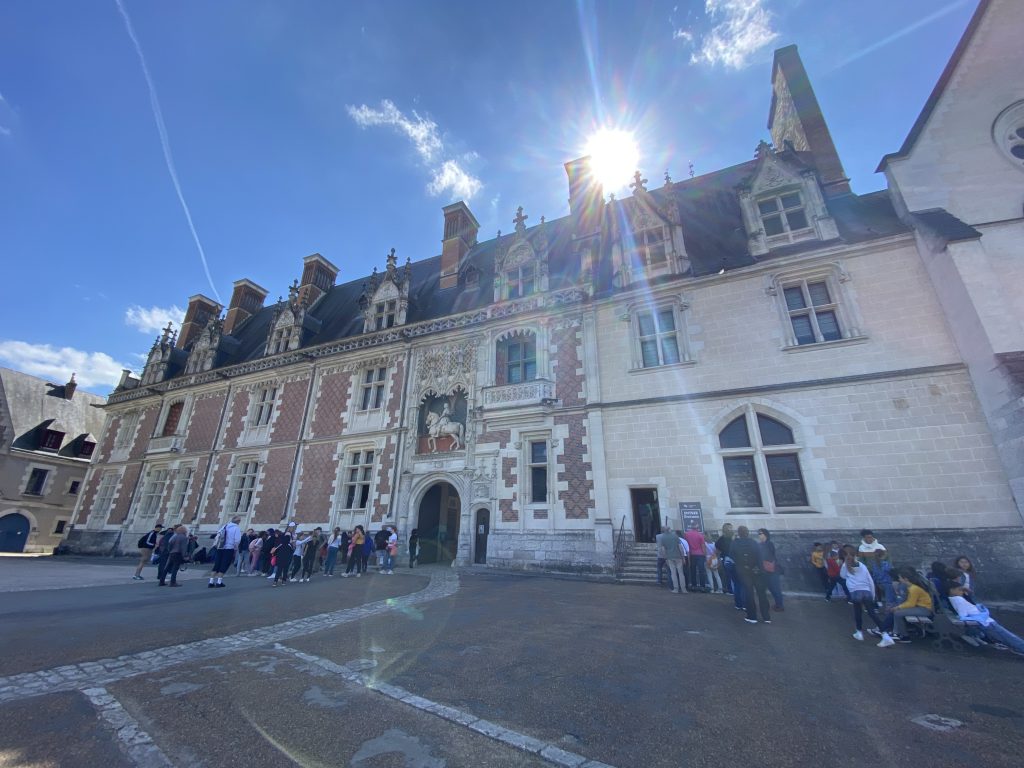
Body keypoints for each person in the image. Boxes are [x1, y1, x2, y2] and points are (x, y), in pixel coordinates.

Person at [947, 585, 1024, 655]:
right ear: (952, 590)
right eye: (960, 590)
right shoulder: (959, 599)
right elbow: (963, 615)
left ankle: (1019, 647)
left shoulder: (956, 599)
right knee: (1007, 636)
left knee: (1006, 636)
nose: (962, 592)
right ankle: (1020, 648)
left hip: (984, 620)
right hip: (985, 622)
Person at [877, 567, 934, 647]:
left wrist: (898, 607)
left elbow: (910, 603)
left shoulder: (913, 589)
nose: (899, 579)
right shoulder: (912, 587)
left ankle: (901, 634)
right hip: (921, 607)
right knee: (897, 613)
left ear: (906, 579)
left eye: (900, 578)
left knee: (897, 613)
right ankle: (899, 633)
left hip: (924, 609)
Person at [840, 551, 888, 643]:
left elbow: (842, 576)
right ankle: (885, 634)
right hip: (866, 591)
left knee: (858, 612)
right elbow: (870, 580)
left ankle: (859, 632)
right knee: (872, 613)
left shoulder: (845, 565)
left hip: (855, 591)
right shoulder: (862, 566)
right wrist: (873, 595)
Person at [730, 526, 771, 624]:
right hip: (757, 570)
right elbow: (759, 555)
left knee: (749, 593)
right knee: (761, 594)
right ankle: (766, 617)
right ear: (747, 533)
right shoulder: (753, 542)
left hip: (744, 571)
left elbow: (731, 555)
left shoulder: (735, 543)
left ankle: (752, 616)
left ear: (739, 533)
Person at [209, 515, 242, 589]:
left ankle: (211, 581)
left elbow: (217, 536)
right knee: (224, 564)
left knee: (217, 564)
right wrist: (235, 548)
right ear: (238, 522)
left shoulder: (225, 526)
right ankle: (219, 582)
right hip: (229, 548)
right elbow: (237, 540)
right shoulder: (236, 528)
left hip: (220, 547)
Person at [757, 528, 784, 611]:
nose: (759, 535)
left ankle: (780, 605)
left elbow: (770, 556)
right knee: (770, 588)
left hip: (772, 570)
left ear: (765, 535)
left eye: (760, 533)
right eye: (758, 533)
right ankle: (775, 604)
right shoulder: (761, 544)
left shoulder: (769, 544)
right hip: (765, 570)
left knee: (775, 588)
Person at [656, 523, 686, 594]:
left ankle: (676, 589)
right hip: (678, 556)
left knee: (673, 573)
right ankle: (683, 589)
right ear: (669, 530)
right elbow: (680, 547)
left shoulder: (663, 538)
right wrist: (683, 557)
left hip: (669, 557)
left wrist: (665, 558)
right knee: (681, 573)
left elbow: (663, 549)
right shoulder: (675, 536)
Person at [716, 523, 738, 602]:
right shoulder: (723, 539)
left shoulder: (733, 538)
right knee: (729, 575)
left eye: (731, 528)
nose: (731, 530)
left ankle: (732, 590)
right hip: (728, 558)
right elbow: (718, 549)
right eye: (729, 528)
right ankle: (731, 589)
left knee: (731, 575)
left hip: (730, 558)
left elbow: (717, 550)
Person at [683, 526, 707, 592]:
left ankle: (694, 586)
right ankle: (702, 586)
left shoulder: (687, 534)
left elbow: (685, 544)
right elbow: (703, 546)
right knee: (701, 571)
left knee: (692, 570)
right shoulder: (700, 535)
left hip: (691, 554)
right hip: (700, 555)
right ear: (697, 528)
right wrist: (705, 555)